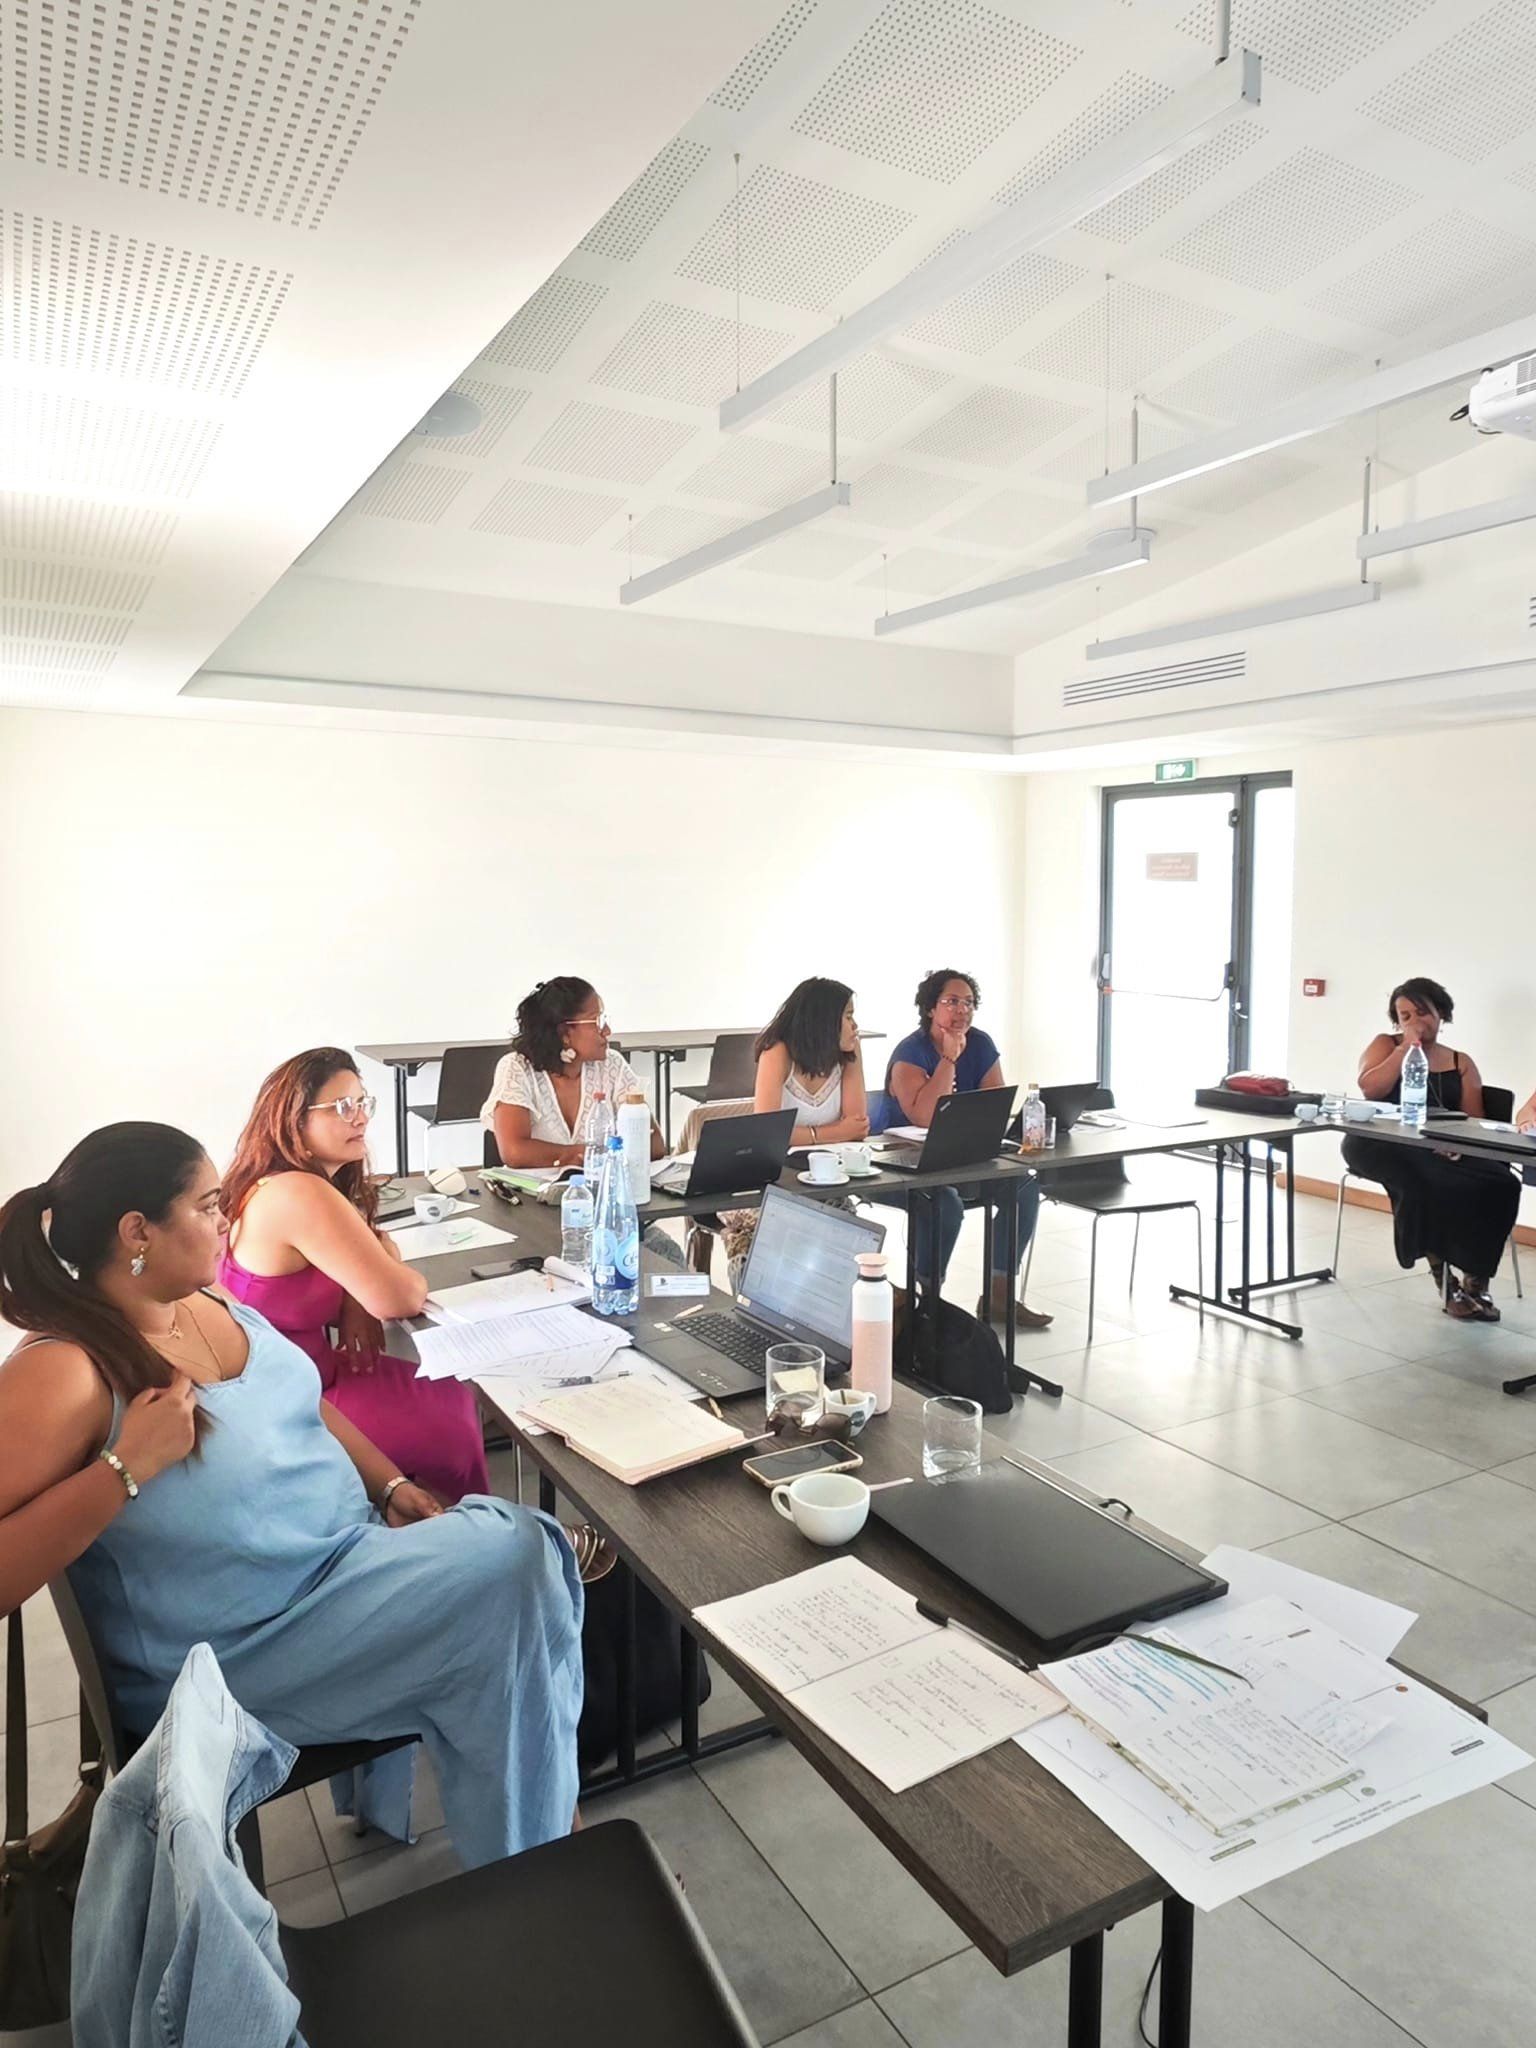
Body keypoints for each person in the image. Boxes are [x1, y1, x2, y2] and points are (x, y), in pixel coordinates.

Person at [0, 1122, 582, 1868]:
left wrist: (390, 1481)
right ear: (137, 1231)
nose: (227, 1221)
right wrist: (124, 1468)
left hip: (337, 1575)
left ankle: (540, 1848)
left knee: (518, 1592)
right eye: (209, 1206)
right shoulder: (67, 1371)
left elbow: (301, 1400)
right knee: (523, 1560)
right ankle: (544, 1858)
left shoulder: (201, 1300)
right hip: (234, 1656)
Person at [219, 1048, 488, 1503]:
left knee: (447, 1386)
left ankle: (466, 1527)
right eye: (342, 1107)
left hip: (309, 1376)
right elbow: (400, 1296)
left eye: (363, 1103)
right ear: (294, 1122)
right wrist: (378, 1287)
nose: (360, 1117)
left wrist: (354, 1296)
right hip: (290, 1406)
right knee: (447, 1413)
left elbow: (375, 1248)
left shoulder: (277, 1182)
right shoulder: (298, 1192)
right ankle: (469, 1532)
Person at [876, 968, 1051, 1328]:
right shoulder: (910, 1054)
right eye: (952, 1002)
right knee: (945, 1206)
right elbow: (925, 1117)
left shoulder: (982, 1043)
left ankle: (999, 1295)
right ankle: (926, 1302)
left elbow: (994, 1104)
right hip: (901, 1165)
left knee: (1024, 1188)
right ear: (930, 1008)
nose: (962, 1011)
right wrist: (949, 1060)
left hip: (962, 1156)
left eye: (969, 1003)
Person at [1346, 975, 1519, 1320]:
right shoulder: (1386, 1044)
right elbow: (1371, 1090)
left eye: (1421, 1013)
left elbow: (1473, 1120)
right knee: (1424, 1181)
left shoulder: (1460, 1062)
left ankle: (1476, 1281)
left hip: (1441, 1145)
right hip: (1380, 1142)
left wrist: (1456, 1146)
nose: (1413, 1022)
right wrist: (1404, 1050)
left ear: (1441, 1014)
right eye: (1404, 1015)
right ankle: (1444, 1281)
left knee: (1503, 1183)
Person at [482, 977, 664, 1169]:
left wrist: (583, 1155)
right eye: (597, 1021)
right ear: (565, 1033)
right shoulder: (517, 1067)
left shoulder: (613, 1064)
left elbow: (654, 1145)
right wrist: (587, 1154)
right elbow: (514, 1152)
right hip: (530, 1196)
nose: (607, 1030)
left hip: (601, 1192)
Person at [753, 977, 870, 1145]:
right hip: (783, 1164)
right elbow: (767, 1132)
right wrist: (835, 1132)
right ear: (825, 1021)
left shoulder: (851, 1049)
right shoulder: (776, 1052)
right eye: (848, 1017)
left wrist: (800, 1135)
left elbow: (857, 1128)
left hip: (834, 1161)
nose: (855, 1025)